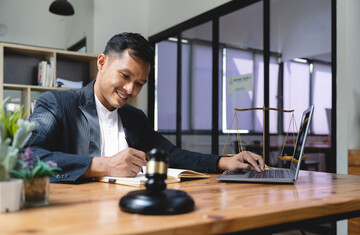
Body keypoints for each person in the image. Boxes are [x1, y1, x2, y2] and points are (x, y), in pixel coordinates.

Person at [28, 32, 264, 183]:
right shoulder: (56, 104)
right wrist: (104, 165)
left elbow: (170, 154)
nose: (130, 90)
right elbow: (26, 157)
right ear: (102, 63)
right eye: (124, 75)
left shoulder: (135, 117)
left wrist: (225, 161)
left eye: (139, 83)